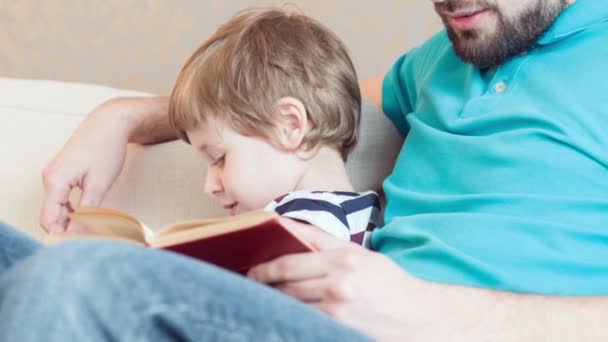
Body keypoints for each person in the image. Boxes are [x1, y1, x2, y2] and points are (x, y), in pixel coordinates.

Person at [1, 0, 607, 340]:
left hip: (419, 327)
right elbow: (298, 111)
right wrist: (128, 117)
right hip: (328, 324)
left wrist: (425, 308)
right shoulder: (445, 56)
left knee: (81, 280)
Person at [166, 8, 379, 246]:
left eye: (219, 158)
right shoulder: (364, 215)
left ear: (289, 125)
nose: (209, 186)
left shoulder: (299, 226)